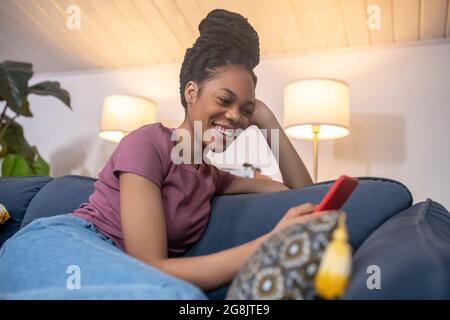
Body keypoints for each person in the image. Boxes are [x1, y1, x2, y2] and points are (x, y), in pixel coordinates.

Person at [0, 9, 313, 299]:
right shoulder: (148, 143)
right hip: (61, 246)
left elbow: (303, 192)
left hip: (114, 266)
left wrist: (266, 119)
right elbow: (151, 265)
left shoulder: (212, 177)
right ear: (192, 93)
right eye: (224, 99)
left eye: (245, 110)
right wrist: (269, 244)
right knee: (182, 298)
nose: (235, 116)